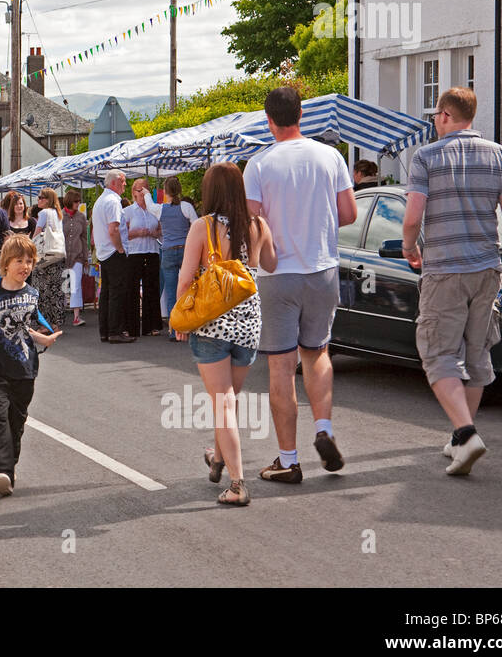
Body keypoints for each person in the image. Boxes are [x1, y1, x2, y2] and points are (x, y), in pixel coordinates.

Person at [403, 87, 502, 476]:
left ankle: (466, 433)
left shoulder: (426, 157)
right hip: (487, 268)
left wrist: (409, 247)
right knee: (476, 353)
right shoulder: (500, 155)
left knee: (439, 354)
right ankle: (460, 440)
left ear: (443, 116)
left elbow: (411, 218)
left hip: (444, 268)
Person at [243, 86, 357, 484]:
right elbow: (348, 212)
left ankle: (288, 460)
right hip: (323, 269)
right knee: (318, 353)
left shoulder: (257, 165)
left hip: (278, 275)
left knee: (280, 365)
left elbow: (252, 224)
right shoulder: (331, 156)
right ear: (302, 114)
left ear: (268, 119)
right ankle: (323, 428)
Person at [173, 163, 277, 507]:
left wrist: (181, 319)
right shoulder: (258, 225)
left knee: (222, 404)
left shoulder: (203, 228)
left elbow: (186, 278)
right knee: (229, 400)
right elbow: (271, 264)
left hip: (213, 323)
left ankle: (237, 484)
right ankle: (218, 459)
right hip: (249, 322)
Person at [0, 234, 62, 496]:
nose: (25, 266)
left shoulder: (32, 294)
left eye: (30, 261)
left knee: (16, 422)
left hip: (24, 369)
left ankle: (11, 464)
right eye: (19, 260)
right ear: (6, 263)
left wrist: (42, 337)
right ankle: (1, 471)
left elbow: (25, 327)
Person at [139, 177, 197, 341]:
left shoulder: (161, 209)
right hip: (186, 251)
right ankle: (191, 326)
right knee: (190, 290)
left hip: (169, 251)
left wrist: (146, 193)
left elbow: (149, 206)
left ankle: (174, 330)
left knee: (171, 293)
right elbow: (197, 224)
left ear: (165, 191)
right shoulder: (186, 207)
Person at [93, 171, 134, 344]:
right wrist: (120, 249)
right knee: (117, 292)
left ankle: (106, 331)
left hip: (104, 252)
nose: (125, 185)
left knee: (107, 293)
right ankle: (115, 331)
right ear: (115, 183)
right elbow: (113, 229)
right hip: (113, 252)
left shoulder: (101, 200)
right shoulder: (113, 201)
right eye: (123, 182)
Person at [122, 178, 163, 337]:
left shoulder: (155, 210)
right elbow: (122, 234)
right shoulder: (128, 211)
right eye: (139, 190)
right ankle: (131, 326)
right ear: (133, 193)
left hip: (152, 251)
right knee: (131, 290)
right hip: (134, 253)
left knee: (152, 289)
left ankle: (151, 326)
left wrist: (154, 233)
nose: (142, 193)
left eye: (144, 190)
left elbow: (160, 230)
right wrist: (138, 233)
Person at [30, 187, 68, 332]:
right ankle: (56, 324)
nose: (38, 200)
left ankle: (44, 324)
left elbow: (37, 233)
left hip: (45, 257)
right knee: (57, 291)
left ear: (47, 200)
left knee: (42, 290)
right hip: (58, 255)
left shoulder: (44, 213)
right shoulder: (58, 214)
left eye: (41, 197)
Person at [62, 189, 90, 327]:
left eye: (79, 201)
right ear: (69, 201)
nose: (78, 204)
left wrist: (85, 258)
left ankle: (76, 316)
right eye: (76, 201)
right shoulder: (60, 216)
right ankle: (59, 314)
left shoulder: (81, 217)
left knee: (76, 285)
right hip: (62, 256)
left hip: (77, 255)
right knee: (62, 285)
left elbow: (84, 238)